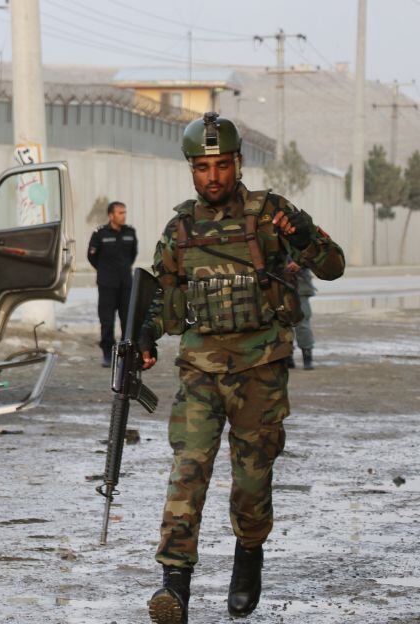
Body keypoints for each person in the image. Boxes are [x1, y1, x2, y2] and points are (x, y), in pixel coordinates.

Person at [138, 112, 345, 624]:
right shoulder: (180, 229)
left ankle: (247, 558)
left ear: (237, 164)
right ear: (191, 170)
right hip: (200, 371)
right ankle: (174, 585)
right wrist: (143, 334)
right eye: (203, 168)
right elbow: (161, 298)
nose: (213, 178)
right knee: (188, 471)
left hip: (260, 370)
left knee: (252, 481)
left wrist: (307, 235)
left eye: (222, 166)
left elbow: (333, 264)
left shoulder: (271, 214)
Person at [87, 201, 138, 367]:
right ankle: (108, 354)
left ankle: (125, 354)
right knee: (107, 321)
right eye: (120, 213)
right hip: (107, 284)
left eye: (125, 212)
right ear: (111, 215)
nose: (123, 216)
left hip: (125, 284)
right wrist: (104, 271)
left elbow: (132, 254)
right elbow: (92, 256)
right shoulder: (100, 234)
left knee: (127, 320)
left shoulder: (130, 232)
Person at [287, 259, 317, 370]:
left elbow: (312, 252)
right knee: (282, 322)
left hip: (300, 282)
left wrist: (299, 263)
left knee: (302, 323)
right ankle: (287, 355)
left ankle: (307, 355)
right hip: (277, 281)